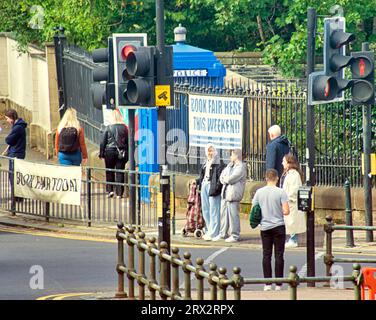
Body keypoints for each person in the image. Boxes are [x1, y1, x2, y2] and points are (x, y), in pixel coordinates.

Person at [251, 169, 290, 291]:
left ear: (266, 178)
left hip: (265, 227)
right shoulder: (281, 192)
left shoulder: (259, 192)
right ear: (277, 178)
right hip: (279, 226)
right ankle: (278, 284)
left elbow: (254, 209)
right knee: (279, 255)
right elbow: (286, 211)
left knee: (266, 254)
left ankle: (267, 283)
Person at [213, 149, 247, 243]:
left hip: (233, 194)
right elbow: (222, 176)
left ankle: (234, 235)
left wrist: (225, 179)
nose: (230, 157)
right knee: (223, 214)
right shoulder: (229, 165)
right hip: (225, 192)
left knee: (233, 215)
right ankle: (222, 234)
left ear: (236, 156)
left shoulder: (241, 167)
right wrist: (224, 179)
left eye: (232, 155)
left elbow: (231, 179)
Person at [197, 144, 225, 241]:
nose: (210, 153)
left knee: (214, 210)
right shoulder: (205, 162)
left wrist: (216, 188)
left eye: (211, 151)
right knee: (206, 209)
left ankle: (214, 232)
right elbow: (202, 175)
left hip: (212, 186)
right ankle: (209, 230)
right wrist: (197, 182)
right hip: (204, 185)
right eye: (208, 151)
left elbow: (220, 178)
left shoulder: (219, 163)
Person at [99, 110, 128, 198]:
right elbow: (127, 141)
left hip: (109, 151)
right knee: (120, 172)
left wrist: (101, 153)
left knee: (109, 171)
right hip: (121, 151)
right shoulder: (124, 128)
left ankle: (110, 190)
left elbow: (102, 142)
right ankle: (119, 193)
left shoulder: (108, 128)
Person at [280, 153, 306, 248]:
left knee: (292, 222)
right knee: (290, 222)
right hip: (288, 202)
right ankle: (291, 239)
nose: (282, 163)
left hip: (292, 202)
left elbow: (294, 190)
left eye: (284, 161)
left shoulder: (294, 174)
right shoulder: (289, 173)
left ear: (289, 163)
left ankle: (293, 240)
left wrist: (287, 198)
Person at [5, 109, 27, 202]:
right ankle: (18, 197)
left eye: (7, 118)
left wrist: (8, 138)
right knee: (15, 175)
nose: (7, 121)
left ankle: (16, 197)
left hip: (16, 153)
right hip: (17, 152)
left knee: (13, 176)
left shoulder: (17, 128)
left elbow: (9, 140)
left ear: (12, 118)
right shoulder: (18, 126)